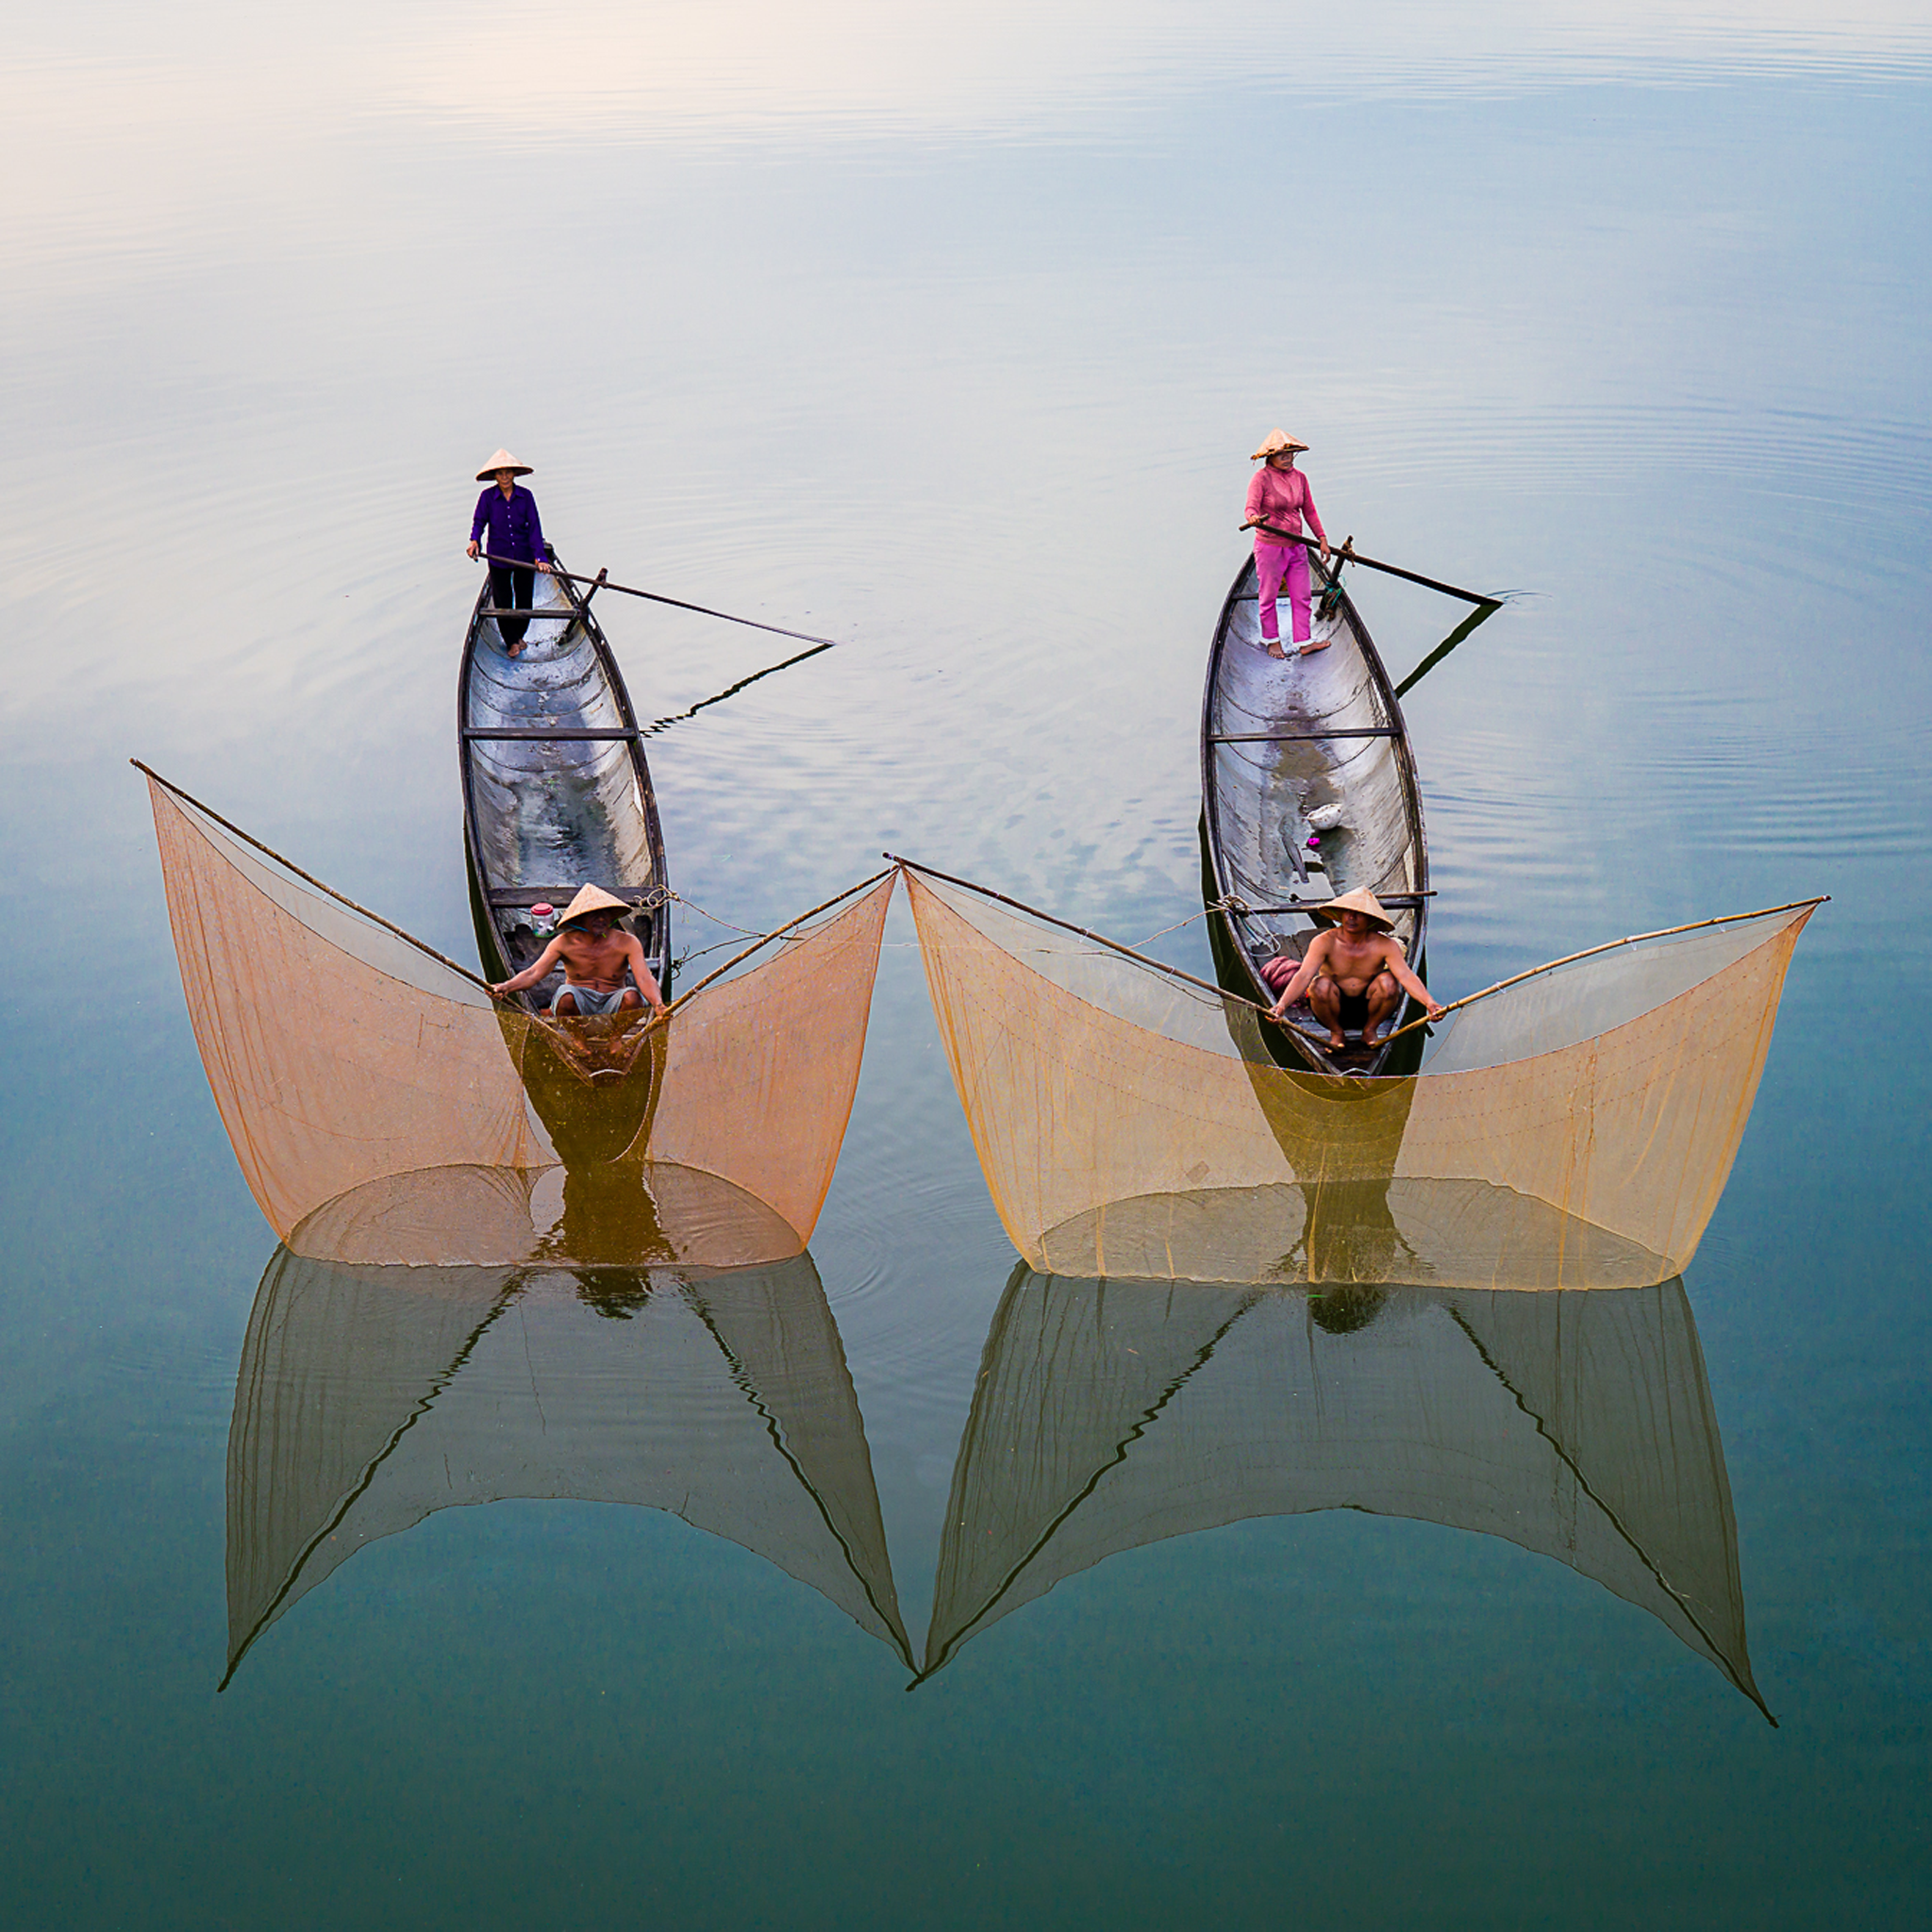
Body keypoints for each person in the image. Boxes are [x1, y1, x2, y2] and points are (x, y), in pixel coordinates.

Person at [1261, 888, 1443, 1051]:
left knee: (1389, 982)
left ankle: (1370, 1030)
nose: (1351, 918)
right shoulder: (1324, 941)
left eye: (1358, 914)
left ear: (1370, 919)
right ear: (1340, 914)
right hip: (1331, 1007)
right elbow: (1304, 975)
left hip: (1370, 1007)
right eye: (1347, 912)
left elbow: (1405, 976)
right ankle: (1336, 1032)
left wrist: (1429, 1003)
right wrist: (1281, 1005)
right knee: (1318, 985)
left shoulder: (1384, 945)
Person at [490, 885, 667, 1018]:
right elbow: (534, 973)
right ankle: (578, 1039)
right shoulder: (564, 942)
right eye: (593, 915)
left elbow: (644, 978)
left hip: (612, 998)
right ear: (581, 919)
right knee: (566, 995)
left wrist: (658, 1005)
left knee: (633, 997)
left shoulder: (627, 942)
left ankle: (615, 1037)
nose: (600, 919)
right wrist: (506, 986)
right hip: (578, 1000)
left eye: (605, 914)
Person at [1243, 429, 1330, 660]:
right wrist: (1253, 518)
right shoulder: (1261, 479)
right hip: (1270, 548)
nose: (1287, 456)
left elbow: (1309, 510)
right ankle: (1271, 640)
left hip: (1297, 546)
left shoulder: (1300, 478)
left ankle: (1304, 642)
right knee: (1269, 595)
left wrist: (1322, 539)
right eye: (1281, 453)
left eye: (1290, 452)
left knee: (1301, 595)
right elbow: (1250, 507)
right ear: (1269, 456)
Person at [466, 449, 551, 657]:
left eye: (508, 472)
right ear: (495, 476)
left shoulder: (526, 496)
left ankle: (518, 635)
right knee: (503, 603)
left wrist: (540, 557)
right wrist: (474, 540)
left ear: (514, 474)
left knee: (524, 603)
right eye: (500, 473)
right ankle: (512, 641)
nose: (504, 477)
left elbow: (534, 528)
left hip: (523, 556)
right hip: (498, 557)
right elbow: (479, 522)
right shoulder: (487, 497)